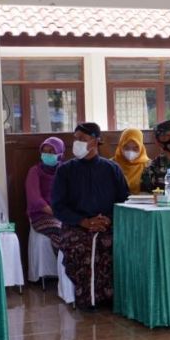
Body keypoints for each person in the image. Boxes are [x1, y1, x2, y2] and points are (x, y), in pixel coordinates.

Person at [52, 122, 129, 309]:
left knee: (116, 244)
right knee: (82, 246)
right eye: (75, 138)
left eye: (82, 139)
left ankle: (112, 298)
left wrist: (109, 219)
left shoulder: (112, 169)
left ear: (95, 142)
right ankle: (87, 298)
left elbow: (124, 201)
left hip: (107, 224)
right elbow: (58, 206)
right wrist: (83, 221)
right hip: (76, 225)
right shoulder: (65, 170)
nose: (76, 142)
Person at [26, 136, 65, 252]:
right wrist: (55, 212)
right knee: (59, 230)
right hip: (41, 215)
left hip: (63, 213)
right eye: (45, 151)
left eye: (51, 152)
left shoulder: (65, 170)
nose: (47, 154)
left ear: (60, 153)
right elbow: (35, 199)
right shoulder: (35, 171)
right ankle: (65, 265)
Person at [111, 128, 150, 195]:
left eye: (135, 148)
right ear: (120, 146)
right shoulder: (110, 165)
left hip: (140, 204)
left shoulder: (148, 165)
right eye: (126, 147)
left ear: (141, 147)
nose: (130, 152)